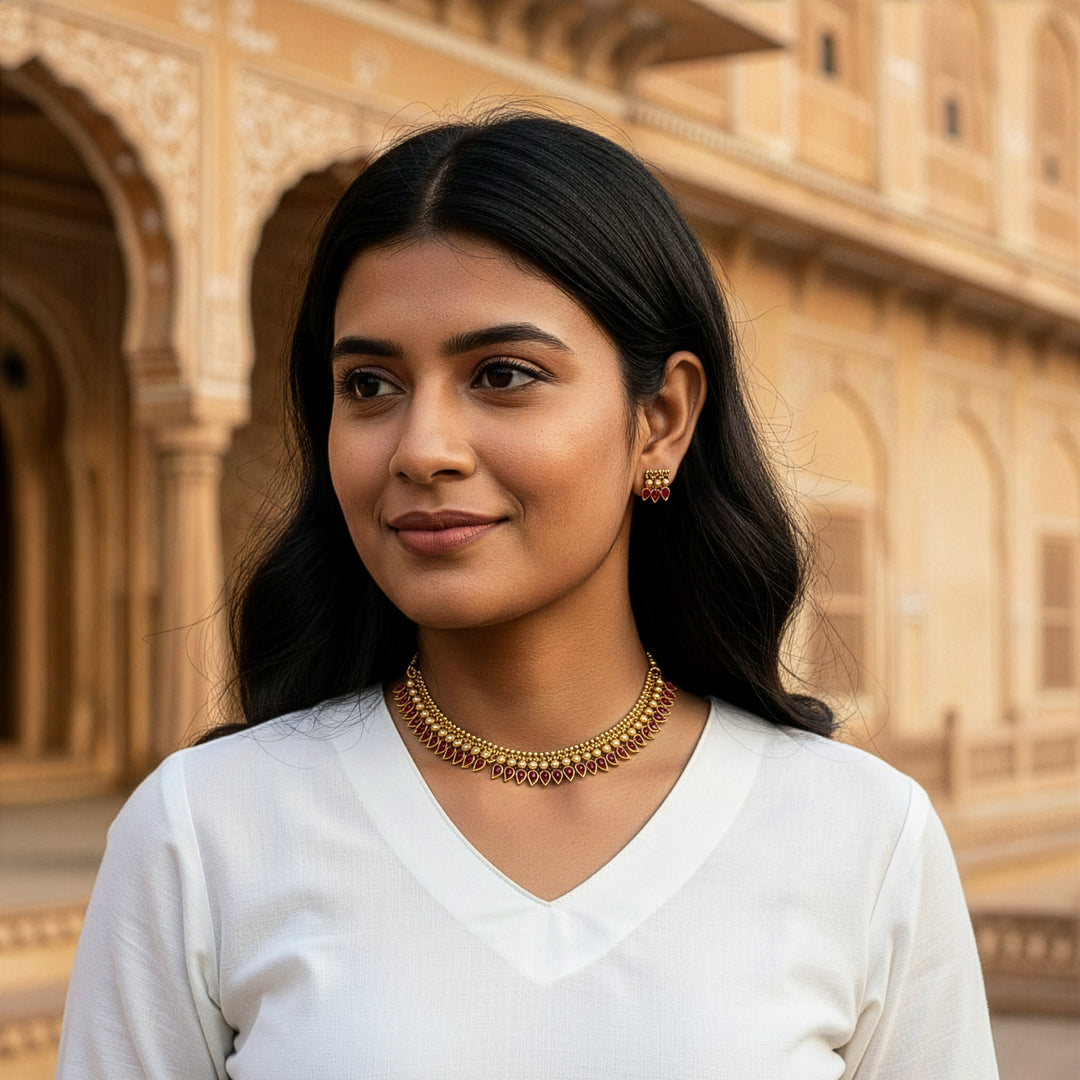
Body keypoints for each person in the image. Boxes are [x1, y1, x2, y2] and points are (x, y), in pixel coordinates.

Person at [57, 109, 997, 1079]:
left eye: (502, 375)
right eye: (370, 386)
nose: (422, 448)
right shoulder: (206, 835)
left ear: (661, 419)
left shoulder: (859, 837)